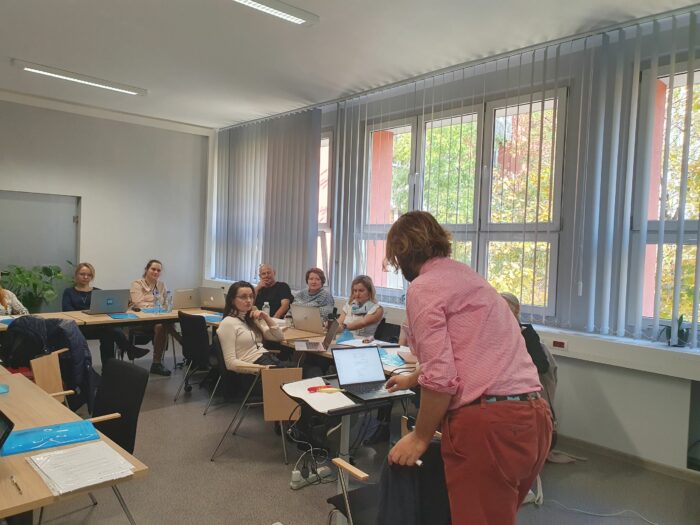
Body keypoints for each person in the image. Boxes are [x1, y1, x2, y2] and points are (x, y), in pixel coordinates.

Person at [384, 211, 552, 525]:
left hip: (489, 426)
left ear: (402, 254)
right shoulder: (470, 278)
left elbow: (443, 377)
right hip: (533, 418)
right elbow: (469, 352)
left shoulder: (424, 287)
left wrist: (419, 437)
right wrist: (412, 378)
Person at [62, 262, 149, 364]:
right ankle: (130, 349)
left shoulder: (98, 292)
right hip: (79, 328)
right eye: (82, 274)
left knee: (108, 333)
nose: (85, 277)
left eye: (89, 275)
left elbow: (107, 308)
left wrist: (124, 303)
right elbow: (67, 311)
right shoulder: (69, 292)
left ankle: (108, 370)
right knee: (110, 331)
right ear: (76, 275)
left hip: (97, 326)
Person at [217, 281, 292, 369]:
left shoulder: (250, 319)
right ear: (232, 300)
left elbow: (279, 337)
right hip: (256, 368)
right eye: (243, 297)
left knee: (302, 371)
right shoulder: (228, 323)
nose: (249, 300)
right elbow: (230, 364)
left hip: (267, 359)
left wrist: (267, 317)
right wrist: (261, 369)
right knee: (302, 375)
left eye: (251, 296)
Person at [130, 259, 182, 376]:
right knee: (164, 324)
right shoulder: (137, 284)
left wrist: (158, 306)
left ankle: (156, 363)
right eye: (153, 269)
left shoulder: (161, 285)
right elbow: (138, 303)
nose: (156, 272)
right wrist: (156, 306)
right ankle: (180, 339)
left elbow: (166, 302)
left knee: (162, 325)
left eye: (158, 270)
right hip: (142, 321)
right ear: (146, 270)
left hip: (159, 319)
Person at [500, 292, 550, 374]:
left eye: (506, 308)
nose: (502, 312)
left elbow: (542, 366)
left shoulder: (527, 333)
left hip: (520, 380)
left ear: (517, 309)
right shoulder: (494, 332)